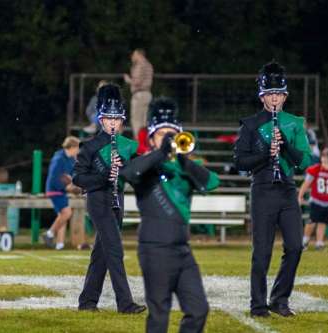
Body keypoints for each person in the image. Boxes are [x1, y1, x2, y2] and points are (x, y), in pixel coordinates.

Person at [122, 97, 220, 333]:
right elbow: (129, 173)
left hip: (182, 250)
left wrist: (184, 160)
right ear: (152, 139)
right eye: (162, 134)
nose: (168, 138)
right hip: (154, 249)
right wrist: (160, 153)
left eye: (172, 134)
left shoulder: (184, 168)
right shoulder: (145, 166)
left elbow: (212, 182)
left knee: (198, 310)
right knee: (159, 315)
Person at [233, 61, 313, 317]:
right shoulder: (250, 124)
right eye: (270, 94)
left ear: (285, 95)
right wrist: (266, 154)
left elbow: (306, 161)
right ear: (262, 96)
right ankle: (258, 304)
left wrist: (286, 147)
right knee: (262, 251)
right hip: (263, 189)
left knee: (295, 246)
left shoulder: (294, 122)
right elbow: (240, 162)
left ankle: (279, 298)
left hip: (288, 189)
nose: (275, 98)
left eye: (279, 93)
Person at [73, 83, 145, 314]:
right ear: (101, 120)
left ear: (122, 121)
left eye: (117, 119)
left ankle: (87, 302)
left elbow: (138, 172)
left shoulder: (128, 146)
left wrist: (126, 168)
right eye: (108, 119)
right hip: (97, 200)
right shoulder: (89, 146)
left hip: (117, 200)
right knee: (115, 249)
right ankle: (125, 303)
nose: (113, 123)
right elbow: (78, 178)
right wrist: (104, 176)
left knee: (101, 253)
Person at [298, 147, 328, 250]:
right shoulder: (316, 169)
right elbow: (306, 184)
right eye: (324, 157)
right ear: (321, 158)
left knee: (323, 222)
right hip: (316, 200)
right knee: (312, 221)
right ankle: (304, 241)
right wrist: (300, 196)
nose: (325, 160)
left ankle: (319, 243)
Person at [43, 136, 81, 250]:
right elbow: (54, 177)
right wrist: (67, 187)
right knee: (67, 213)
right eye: (77, 148)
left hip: (62, 190)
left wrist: (76, 184)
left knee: (62, 216)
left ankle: (60, 245)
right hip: (54, 189)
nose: (78, 151)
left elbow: (73, 175)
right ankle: (49, 234)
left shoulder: (71, 159)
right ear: (72, 147)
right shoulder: (58, 158)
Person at [124, 49, 153, 136]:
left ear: (139, 55)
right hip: (147, 94)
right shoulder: (149, 65)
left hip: (139, 94)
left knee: (136, 121)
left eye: (134, 54)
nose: (132, 57)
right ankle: (144, 144)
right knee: (144, 122)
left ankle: (139, 144)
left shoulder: (139, 65)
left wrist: (128, 79)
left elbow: (137, 81)